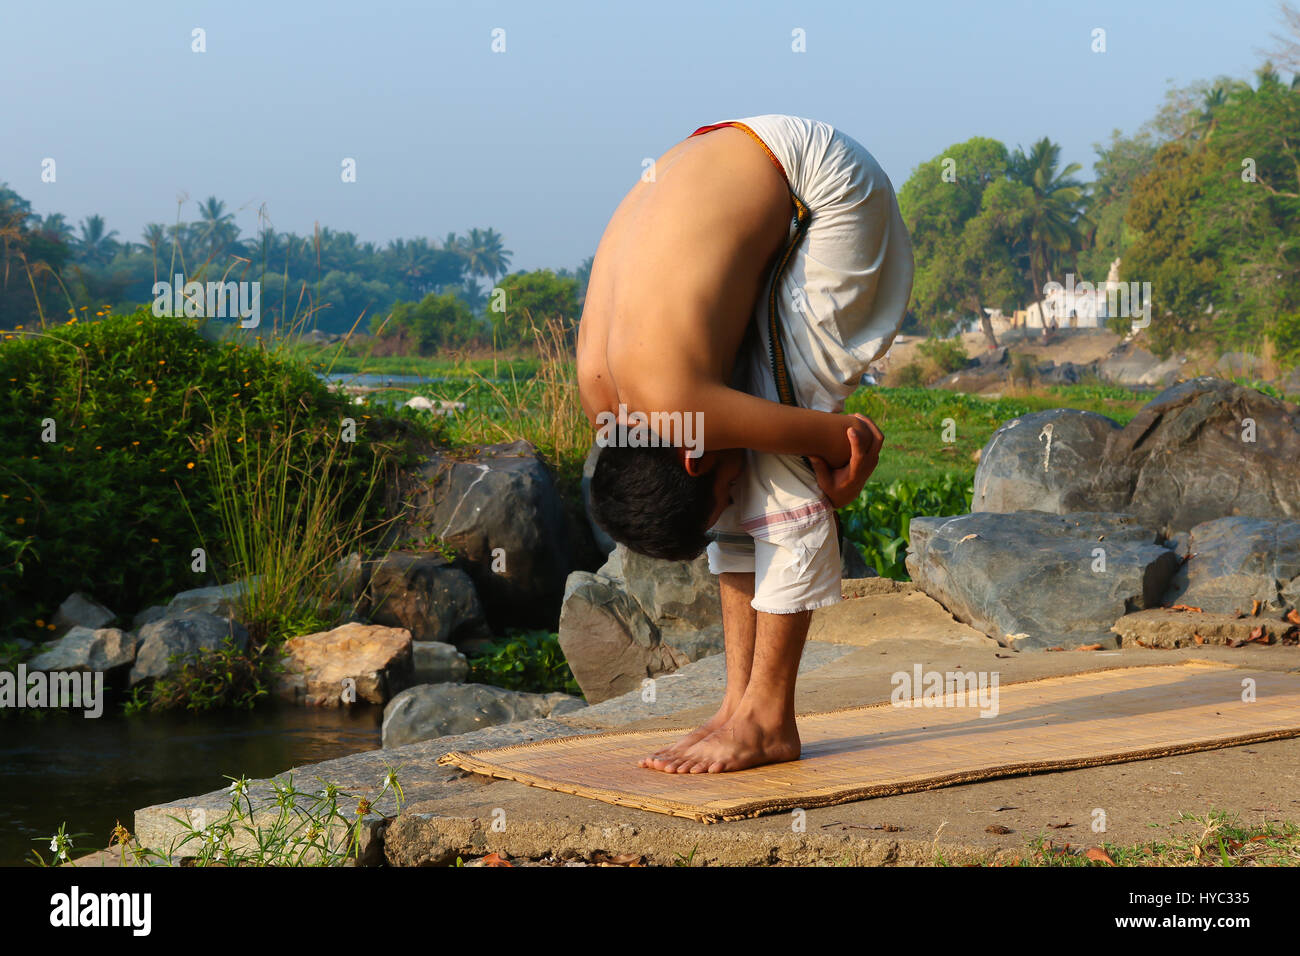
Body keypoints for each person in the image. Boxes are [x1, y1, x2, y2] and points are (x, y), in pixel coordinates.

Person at [577, 115, 914, 773]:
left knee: (781, 467)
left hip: (820, 183)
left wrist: (838, 486)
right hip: (729, 155)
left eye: (721, 490)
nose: (731, 494)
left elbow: (847, 438)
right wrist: (817, 476)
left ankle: (768, 720)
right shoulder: (610, 410)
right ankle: (738, 703)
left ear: (692, 456)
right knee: (755, 456)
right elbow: (727, 470)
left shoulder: (678, 403)